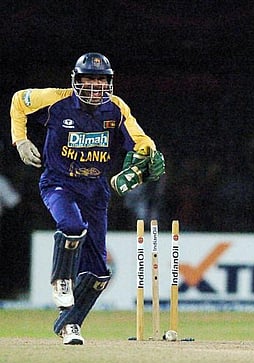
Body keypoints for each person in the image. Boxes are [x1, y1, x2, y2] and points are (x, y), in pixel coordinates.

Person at [10, 52, 165, 345]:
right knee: (71, 226)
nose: (95, 86)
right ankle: (61, 279)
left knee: (98, 274)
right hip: (59, 183)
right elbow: (19, 100)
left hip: (95, 190)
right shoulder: (56, 100)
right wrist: (20, 139)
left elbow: (140, 139)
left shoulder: (116, 108)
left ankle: (69, 325)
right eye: (88, 79)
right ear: (75, 80)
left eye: (101, 80)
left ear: (109, 82)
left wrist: (150, 153)